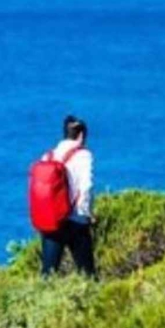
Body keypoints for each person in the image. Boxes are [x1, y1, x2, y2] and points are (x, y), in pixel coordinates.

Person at [39, 115, 96, 278]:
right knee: (87, 273)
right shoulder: (84, 155)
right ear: (82, 135)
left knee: (48, 273)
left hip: (51, 220)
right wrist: (87, 213)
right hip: (75, 220)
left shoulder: (48, 156)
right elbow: (86, 186)